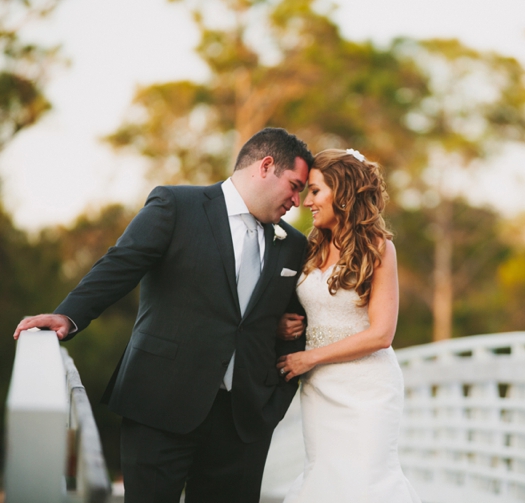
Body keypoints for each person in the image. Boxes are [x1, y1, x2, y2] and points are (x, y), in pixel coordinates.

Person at [13, 127, 314, 503]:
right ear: (266, 166)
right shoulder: (177, 205)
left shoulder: (294, 244)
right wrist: (68, 316)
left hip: (242, 425)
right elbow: (122, 263)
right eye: (295, 185)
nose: (297, 201)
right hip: (160, 404)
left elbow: (295, 322)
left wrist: (273, 402)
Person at [276, 148, 421, 503]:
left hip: (367, 389)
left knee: (365, 482)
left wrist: (309, 358)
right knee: (325, 476)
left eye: (315, 191)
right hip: (320, 389)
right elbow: (296, 303)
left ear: (340, 193)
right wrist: (282, 324)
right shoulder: (308, 247)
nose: (306, 201)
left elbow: (381, 334)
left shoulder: (378, 249)